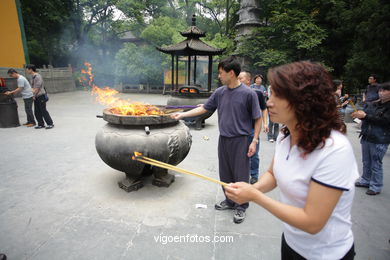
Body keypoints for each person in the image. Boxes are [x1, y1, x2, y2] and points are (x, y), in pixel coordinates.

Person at [225, 61, 358, 259]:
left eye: (278, 95)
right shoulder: (286, 134)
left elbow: (312, 222)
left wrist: (255, 196)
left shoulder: (335, 150)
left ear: (303, 100)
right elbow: (273, 173)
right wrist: (253, 188)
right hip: (291, 242)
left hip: (325, 254)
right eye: (271, 93)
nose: (269, 102)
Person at [171, 56, 262, 224]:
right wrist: (182, 114)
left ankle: (241, 206)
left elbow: (258, 118)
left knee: (241, 175)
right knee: (225, 174)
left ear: (232, 73)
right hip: (224, 139)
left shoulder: (249, 94)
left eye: (221, 73)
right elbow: (205, 108)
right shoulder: (220, 93)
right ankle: (229, 201)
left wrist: (254, 140)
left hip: (241, 140)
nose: (219, 76)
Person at [352, 82, 390, 195]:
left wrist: (365, 116)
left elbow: (385, 121)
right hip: (367, 136)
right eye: (380, 91)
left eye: (384, 91)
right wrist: (360, 115)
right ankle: (365, 180)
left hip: (380, 138)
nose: (381, 93)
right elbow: (366, 115)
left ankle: (376, 186)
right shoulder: (374, 104)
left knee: (376, 163)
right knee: (366, 161)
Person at [238, 71, 269, 184]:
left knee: (254, 155)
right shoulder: (234, 93)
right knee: (240, 155)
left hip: (252, 129)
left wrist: (265, 123)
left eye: (241, 78)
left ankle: (254, 174)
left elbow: (264, 109)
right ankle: (241, 175)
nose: (238, 80)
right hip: (239, 130)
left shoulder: (257, 93)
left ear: (248, 80)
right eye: (237, 78)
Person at [26, 64, 54, 129]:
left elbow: (37, 88)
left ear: (30, 69)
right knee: (37, 111)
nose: (26, 71)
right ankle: (41, 124)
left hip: (40, 95)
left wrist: (33, 95)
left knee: (43, 110)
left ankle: (50, 124)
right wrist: (34, 95)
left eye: (27, 69)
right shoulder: (32, 76)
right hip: (36, 96)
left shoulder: (37, 76)